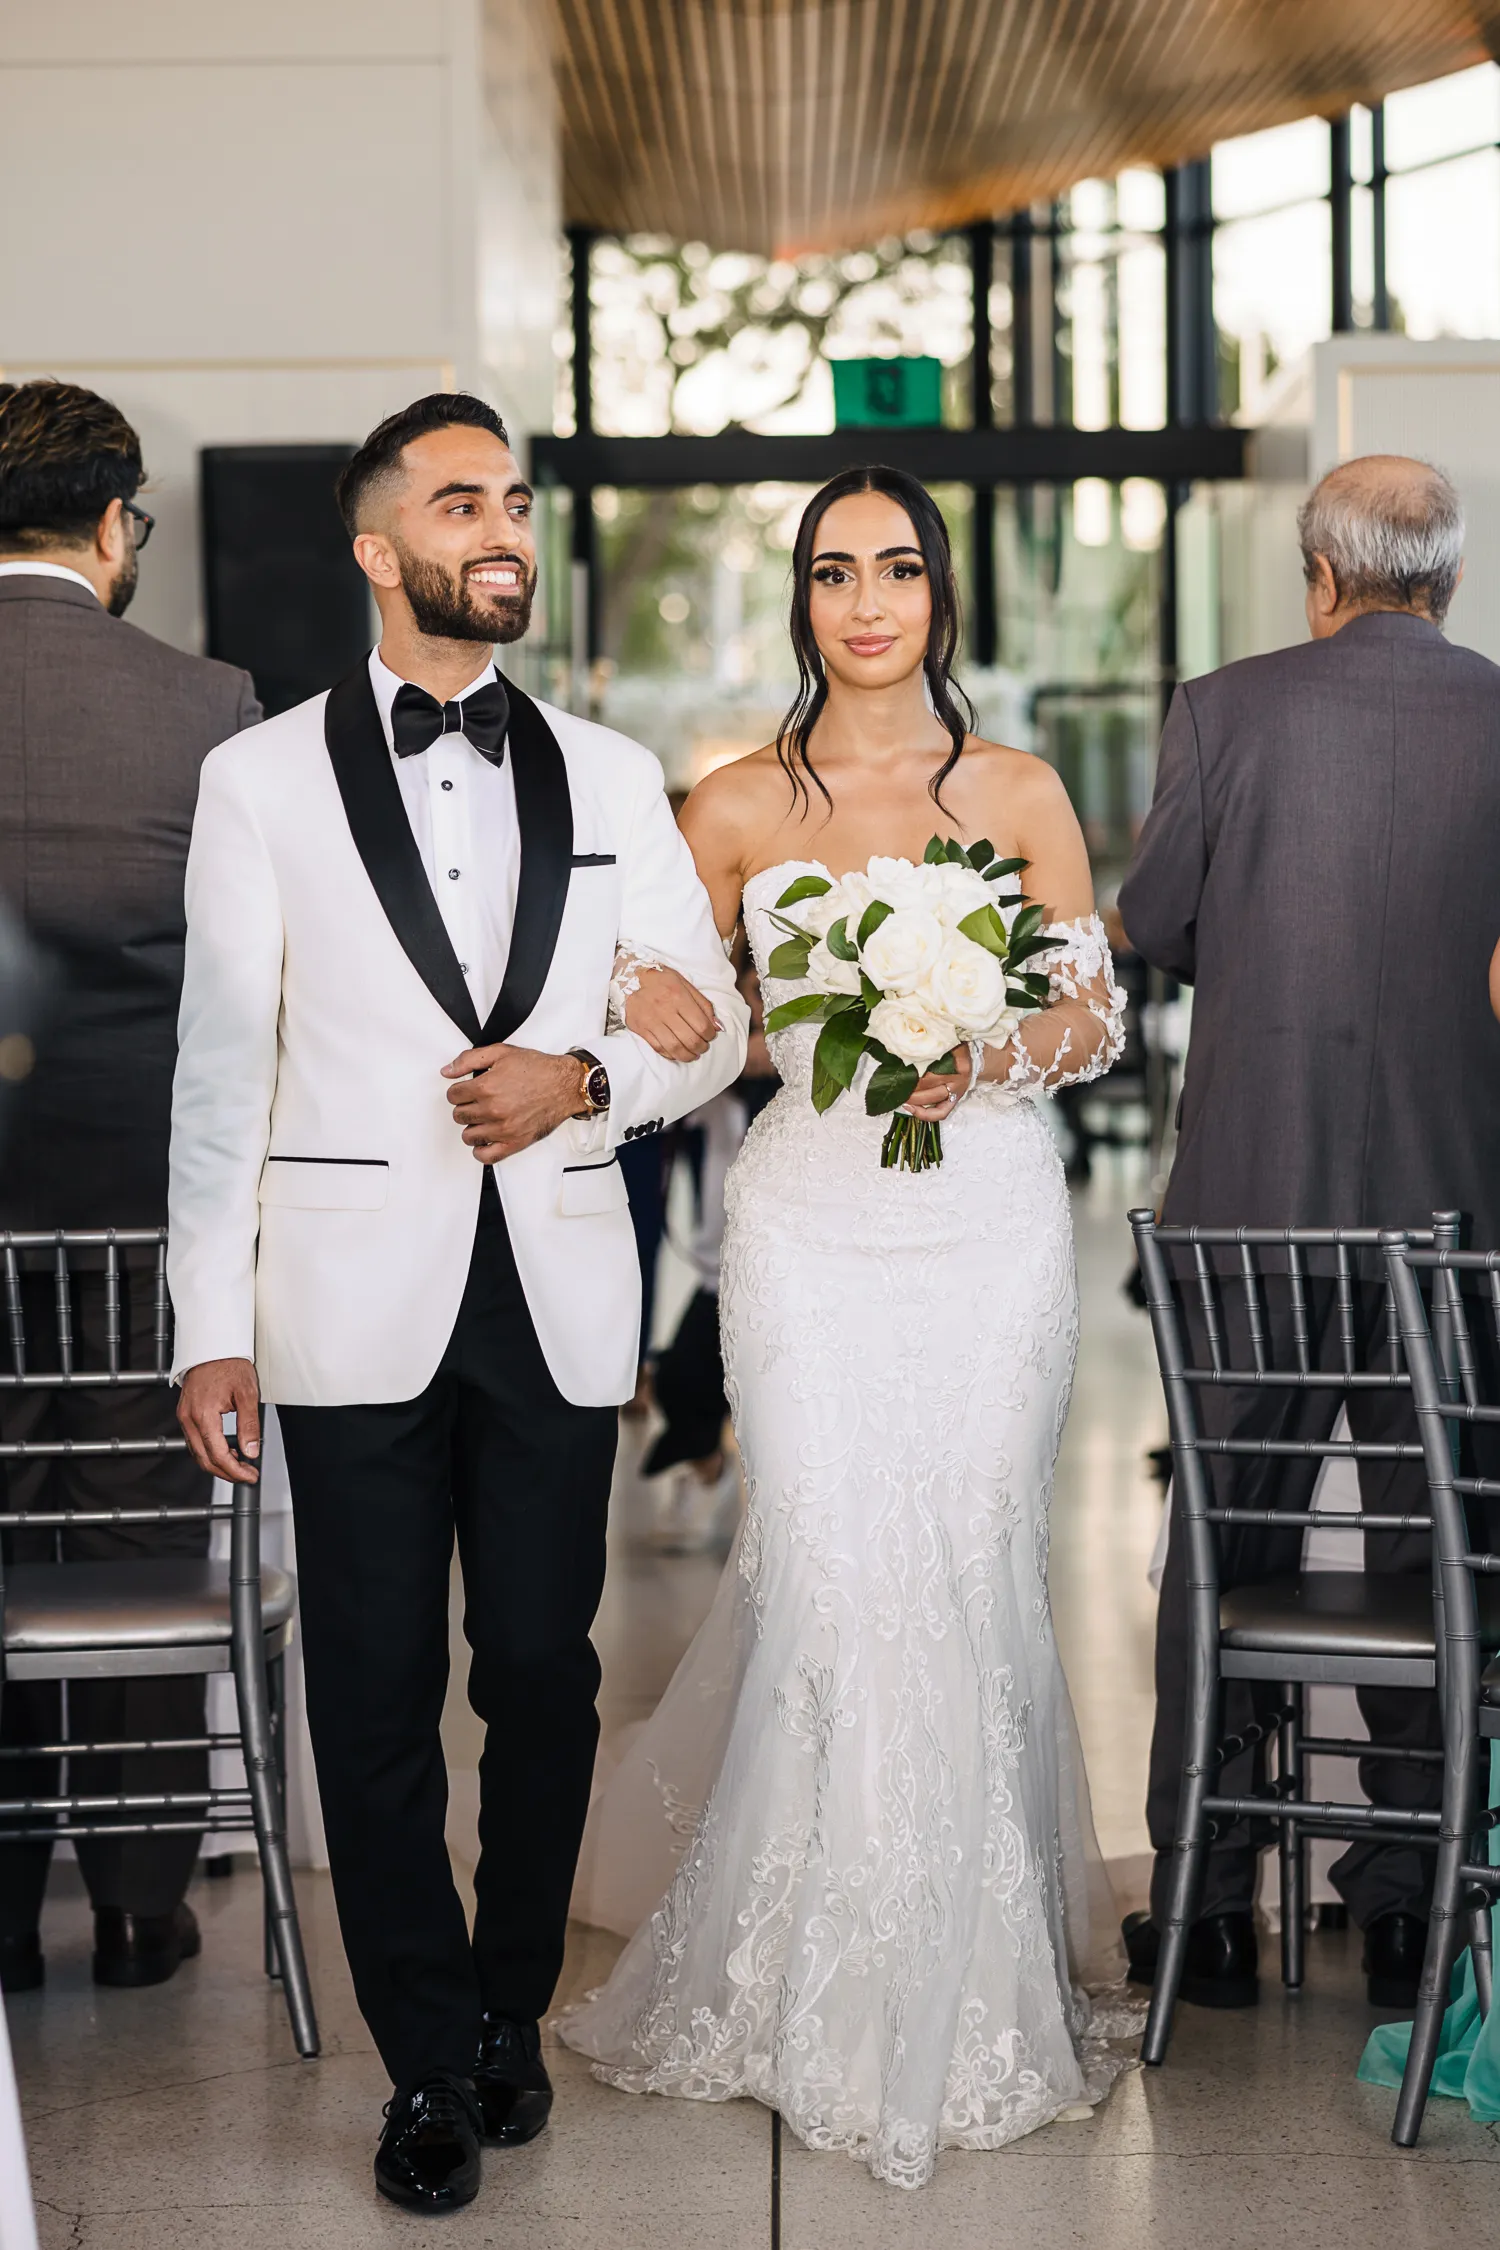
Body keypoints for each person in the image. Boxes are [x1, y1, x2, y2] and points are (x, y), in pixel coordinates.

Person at [165, 392, 748, 2215]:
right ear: (376, 546)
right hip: (342, 1290)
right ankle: (423, 2063)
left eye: (514, 496)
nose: (502, 525)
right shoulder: (254, 779)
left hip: (558, 1290)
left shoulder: (613, 769)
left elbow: (711, 1023)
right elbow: (217, 1069)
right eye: (461, 500)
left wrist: (582, 1076)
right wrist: (209, 1319)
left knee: (544, 1672)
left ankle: (512, 2014)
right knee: (371, 1687)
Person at [559, 464, 1132, 2191]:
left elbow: (1096, 1009)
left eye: (895, 568)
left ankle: (971, 1987)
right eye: (831, 571)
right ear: (802, 599)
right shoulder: (729, 804)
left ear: (940, 593)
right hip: (810, 1222)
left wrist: (1003, 1045)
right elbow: (686, 1019)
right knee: (824, 1569)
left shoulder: (1020, 789)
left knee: (963, 1563)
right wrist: (640, 998)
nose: (865, 599)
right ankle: (809, 1983)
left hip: (984, 1221)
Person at [1117, 455, 1500, 2013]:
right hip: (1455, 1220)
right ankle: (1408, 1909)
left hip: (1251, 1222)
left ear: (1319, 574)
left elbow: (1159, 917)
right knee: (1442, 1558)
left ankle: (1204, 1912)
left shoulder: (1225, 707)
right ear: (1448, 580)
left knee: (1223, 1545)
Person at [0, 380, 261, 1996]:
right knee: (135, 1541)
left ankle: (2, 1904)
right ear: (116, 527)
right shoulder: (206, 702)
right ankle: (144, 1900)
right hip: (131, 1218)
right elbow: (247, 986)